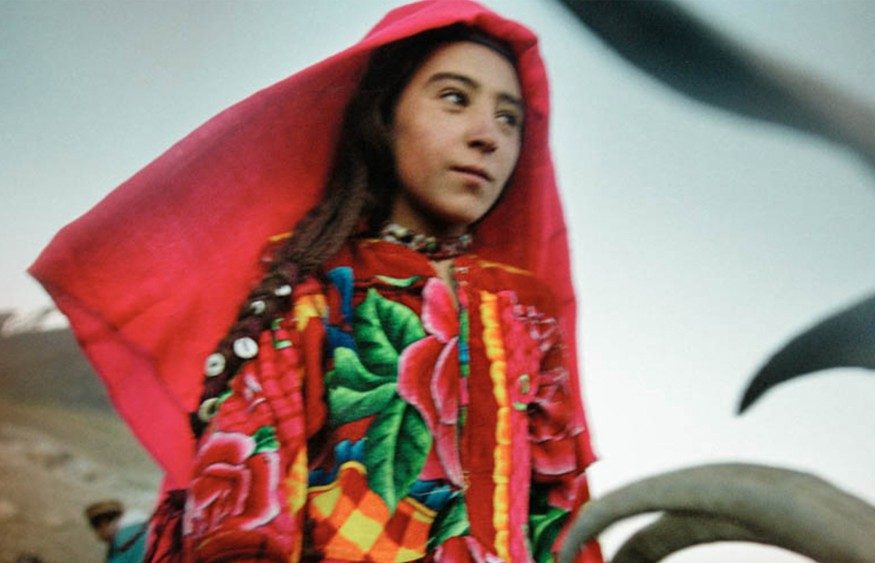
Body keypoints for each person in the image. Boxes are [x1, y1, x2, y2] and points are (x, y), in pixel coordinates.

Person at [33, 1, 600, 561]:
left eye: (509, 118)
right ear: (385, 117)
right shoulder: (314, 292)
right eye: (454, 98)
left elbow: (561, 510)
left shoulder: (527, 314)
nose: (488, 135)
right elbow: (241, 521)